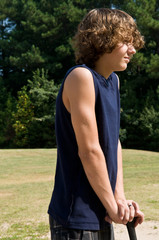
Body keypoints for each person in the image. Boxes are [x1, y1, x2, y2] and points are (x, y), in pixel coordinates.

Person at [48, 8, 145, 240]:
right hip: (76, 216)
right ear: (103, 40)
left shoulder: (114, 82)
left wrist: (118, 200)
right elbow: (89, 150)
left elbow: (114, 142)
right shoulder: (80, 77)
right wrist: (112, 206)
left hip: (101, 209)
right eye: (126, 42)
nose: (133, 50)